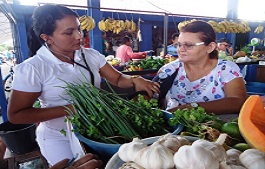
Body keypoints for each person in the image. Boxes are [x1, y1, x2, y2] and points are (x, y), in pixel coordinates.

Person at [7, 4, 160, 166]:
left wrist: (134, 80)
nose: (79, 36)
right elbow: (17, 115)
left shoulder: (90, 55)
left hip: (95, 129)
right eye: (69, 32)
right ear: (47, 37)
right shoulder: (33, 68)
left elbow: (117, 79)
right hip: (59, 136)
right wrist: (75, 108)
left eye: (79, 29)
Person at [156, 20, 248, 115]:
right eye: (179, 44)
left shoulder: (226, 69)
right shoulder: (170, 69)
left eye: (188, 45)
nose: (180, 50)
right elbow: (150, 97)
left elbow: (238, 101)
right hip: (175, 127)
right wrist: (140, 84)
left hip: (215, 128)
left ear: (210, 47)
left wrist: (192, 107)